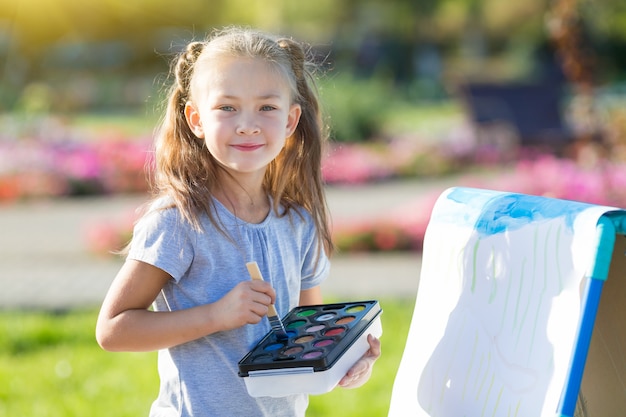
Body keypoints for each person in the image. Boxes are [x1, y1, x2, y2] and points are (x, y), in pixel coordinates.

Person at [95, 26, 381, 417]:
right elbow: (113, 329)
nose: (247, 124)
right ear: (196, 119)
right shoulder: (178, 222)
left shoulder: (299, 224)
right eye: (227, 107)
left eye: (266, 107)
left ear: (291, 121)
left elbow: (304, 338)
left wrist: (347, 360)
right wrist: (216, 315)